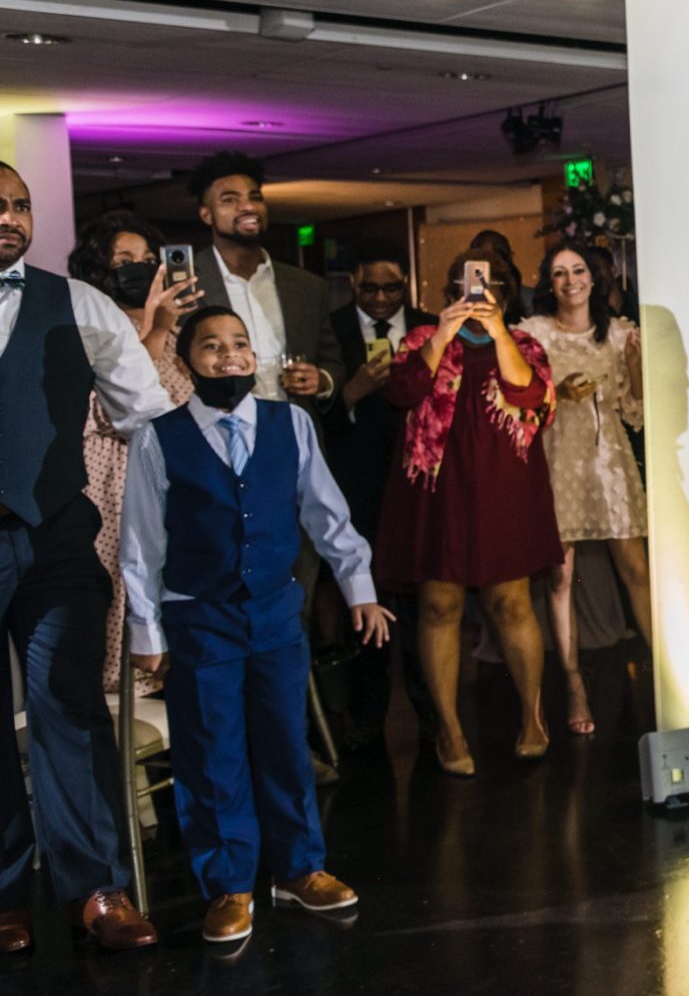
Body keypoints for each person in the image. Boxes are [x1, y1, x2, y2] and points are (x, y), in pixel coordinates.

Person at [120, 306, 393, 945]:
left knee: (285, 742)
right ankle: (229, 885)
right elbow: (141, 544)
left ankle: (299, 869)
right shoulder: (158, 438)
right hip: (199, 616)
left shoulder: (290, 423)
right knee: (212, 752)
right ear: (187, 362)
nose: (229, 356)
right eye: (212, 346)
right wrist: (147, 632)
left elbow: (327, 513)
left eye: (239, 343)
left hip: (275, 611)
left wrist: (359, 588)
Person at [0, 161, 171, 955]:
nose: (10, 218)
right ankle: (4, 895)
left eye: (19, 205)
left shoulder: (78, 301)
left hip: (56, 533)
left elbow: (147, 414)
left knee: (68, 704)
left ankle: (97, 887)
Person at [373, 248, 560, 773]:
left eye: (489, 283)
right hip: (438, 492)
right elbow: (401, 391)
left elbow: (531, 399)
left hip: (505, 489)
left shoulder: (524, 343)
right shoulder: (420, 338)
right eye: (469, 283)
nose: (478, 292)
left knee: (512, 604)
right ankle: (450, 730)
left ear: (504, 291)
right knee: (439, 605)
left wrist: (499, 333)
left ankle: (533, 716)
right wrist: (441, 335)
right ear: (453, 289)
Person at [523, 241, 651, 737]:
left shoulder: (618, 333)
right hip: (557, 461)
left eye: (578, 270)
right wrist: (555, 393)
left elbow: (636, 411)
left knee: (637, 569)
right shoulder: (532, 334)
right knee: (560, 577)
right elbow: (517, 401)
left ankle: (667, 671)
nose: (570, 280)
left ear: (592, 279)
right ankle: (573, 681)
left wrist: (635, 364)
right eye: (559, 273)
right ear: (549, 283)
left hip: (609, 463)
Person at [67, 213, 196, 689]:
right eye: (124, 260)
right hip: (114, 477)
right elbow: (117, 404)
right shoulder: (90, 324)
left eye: (146, 259)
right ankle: (119, 701)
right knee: (120, 586)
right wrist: (155, 327)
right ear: (99, 267)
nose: (138, 268)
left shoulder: (177, 330)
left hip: (168, 478)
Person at [320, 252, 436, 748]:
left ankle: (433, 715)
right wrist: (352, 391)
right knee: (364, 603)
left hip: (422, 485)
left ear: (405, 283)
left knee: (423, 606)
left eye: (392, 289)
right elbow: (316, 415)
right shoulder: (332, 329)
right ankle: (366, 719)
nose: (383, 299)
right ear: (354, 282)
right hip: (359, 484)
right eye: (371, 289)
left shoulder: (432, 327)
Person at [188, 152, 343, 409]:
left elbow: (332, 361)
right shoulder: (186, 284)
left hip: (293, 423)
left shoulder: (306, 286)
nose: (248, 207)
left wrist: (323, 380)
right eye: (230, 200)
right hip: (220, 424)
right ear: (207, 215)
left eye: (255, 197)